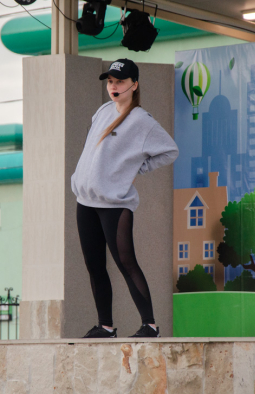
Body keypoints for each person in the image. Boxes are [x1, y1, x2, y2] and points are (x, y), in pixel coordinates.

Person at [70, 58, 179, 338]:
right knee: (94, 266)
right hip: (86, 201)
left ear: (134, 85)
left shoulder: (141, 121)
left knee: (126, 263)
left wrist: (135, 170)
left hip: (115, 204)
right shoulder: (103, 111)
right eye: (110, 81)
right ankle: (105, 326)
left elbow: (170, 150)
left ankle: (150, 326)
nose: (113, 86)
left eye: (119, 81)